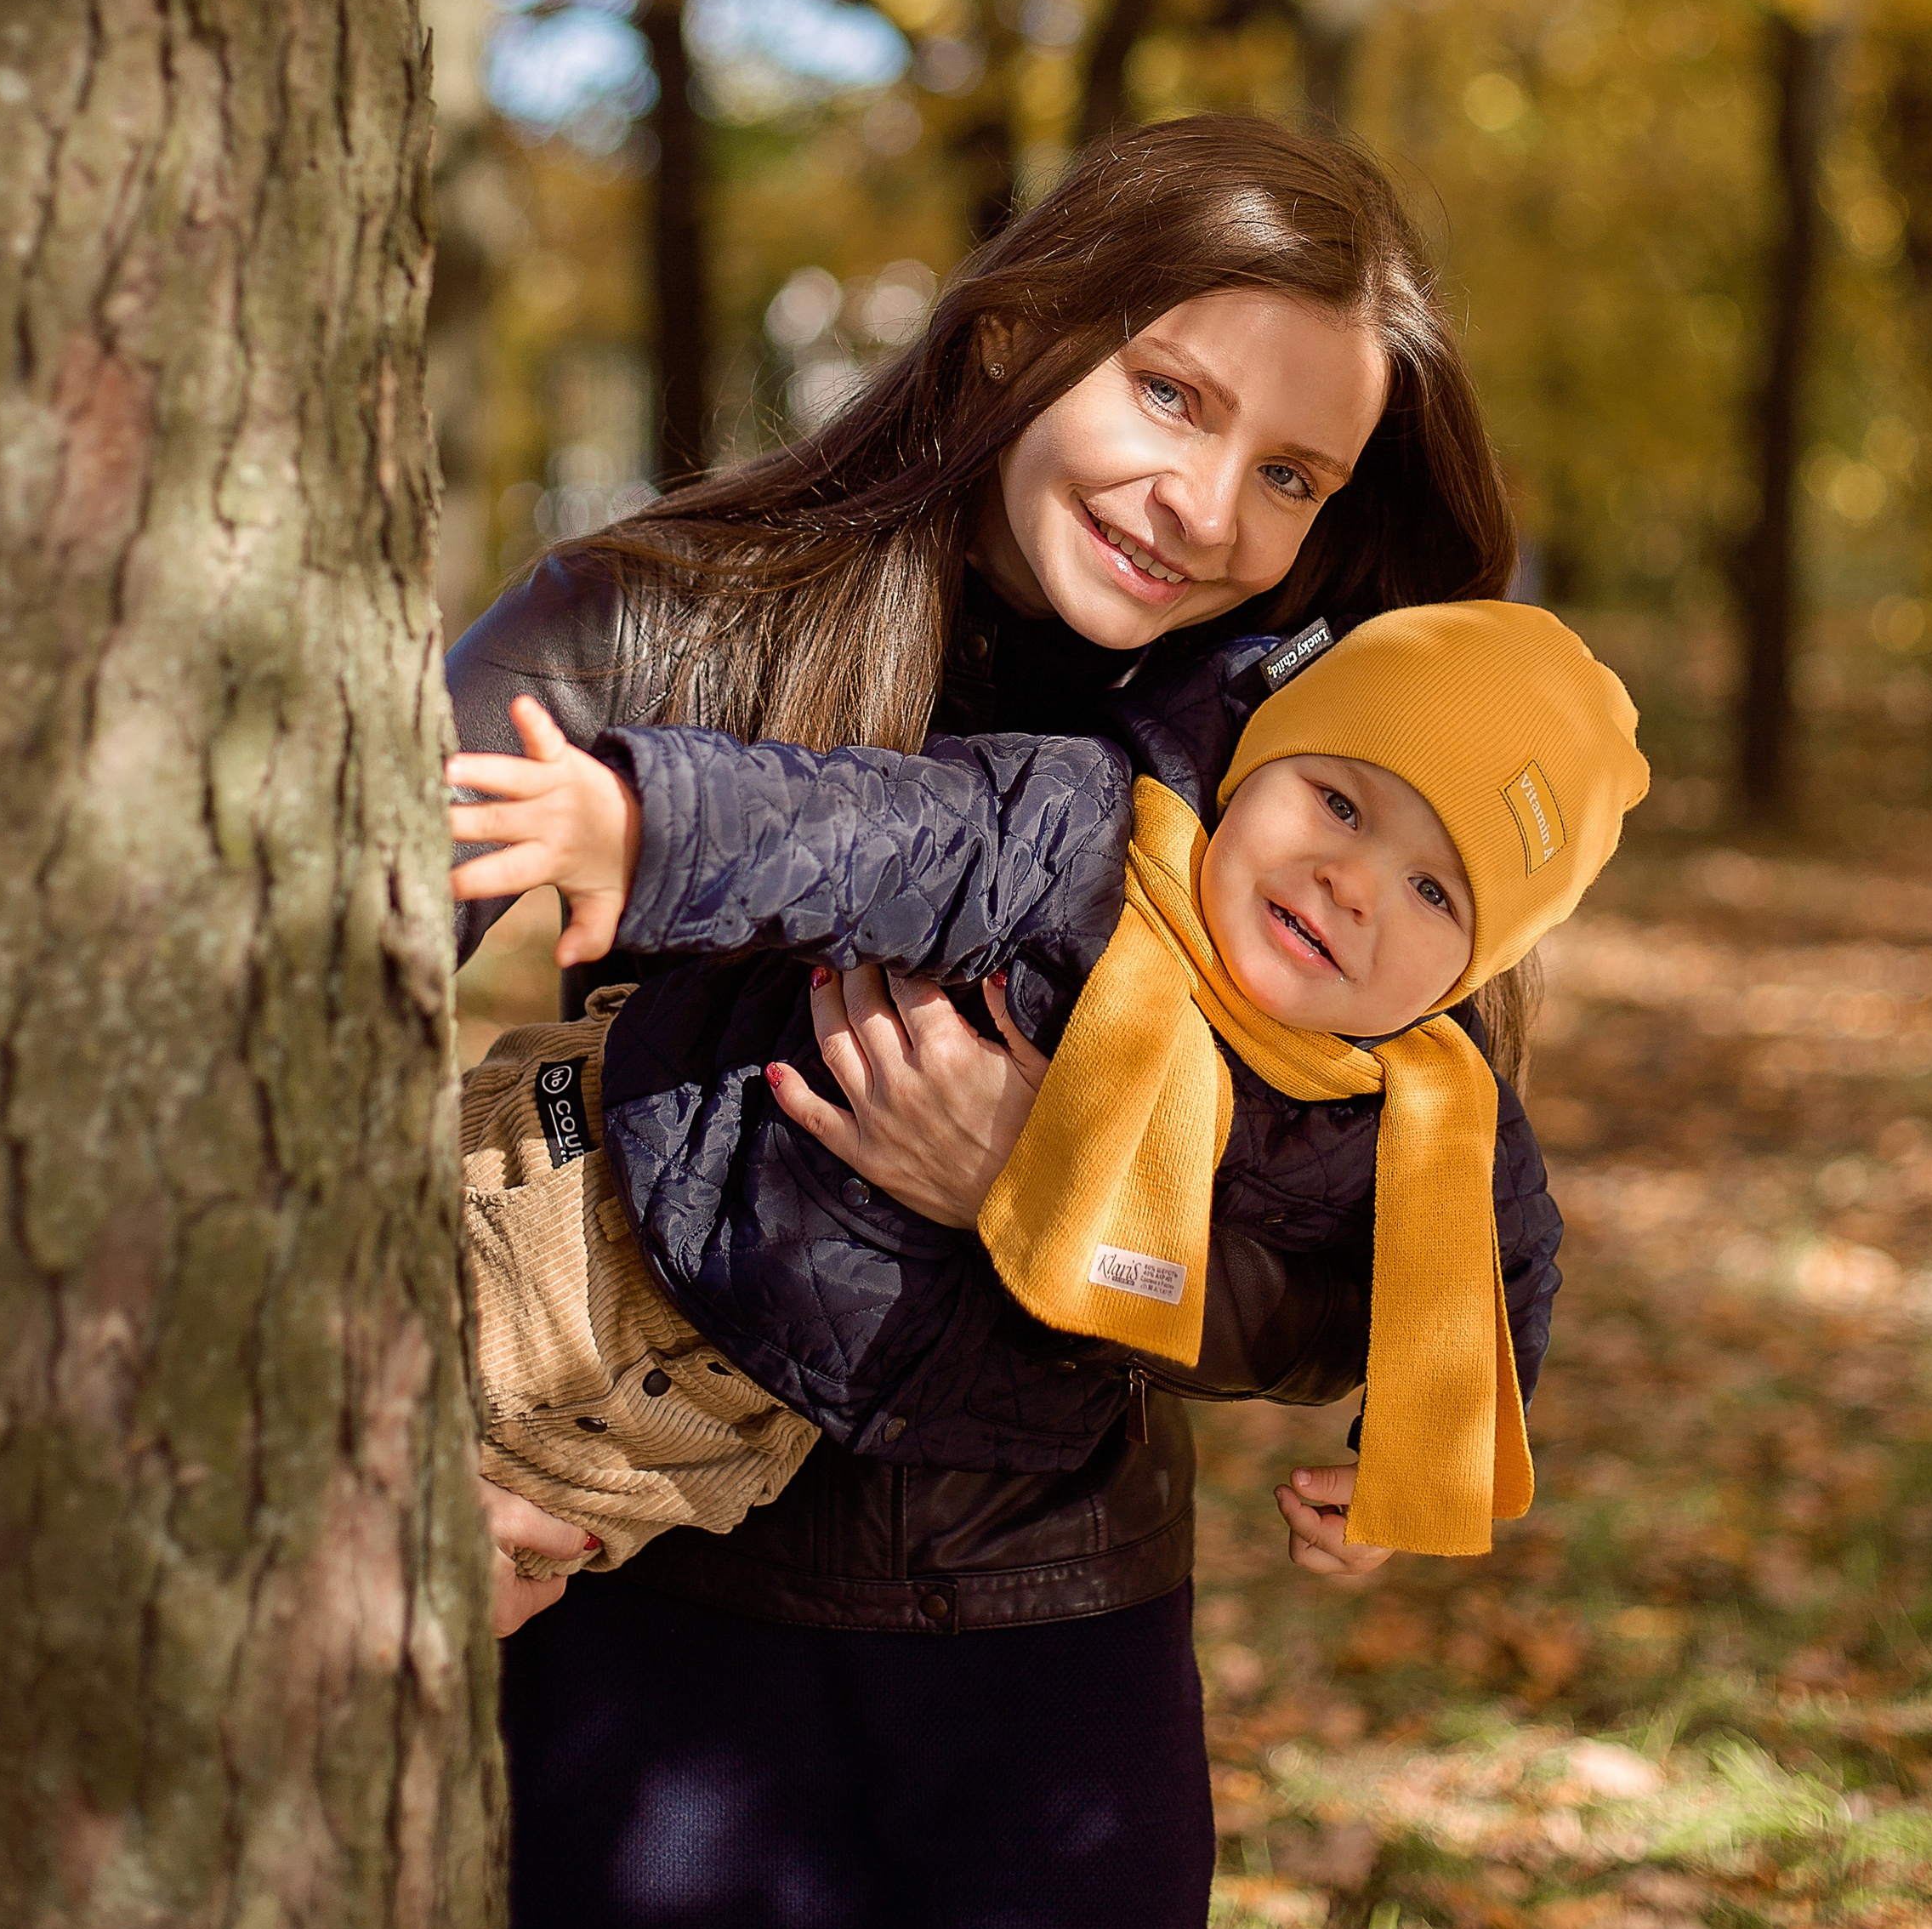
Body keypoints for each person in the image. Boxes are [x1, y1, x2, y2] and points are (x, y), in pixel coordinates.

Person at [446, 115, 1565, 1929]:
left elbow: (1373, 1257)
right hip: (642, 1605)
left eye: (1290, 474)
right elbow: (261, 1061)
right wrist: (404, 1442)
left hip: (1055, 1650)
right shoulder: (647, 619)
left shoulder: (1335, 776)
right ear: (1013, 336)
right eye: (1169, 394)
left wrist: (1055, 1191)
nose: (1205, 508)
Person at [452, 597, 1644, 1573]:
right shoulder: (1079, 839)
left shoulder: (1414, 1114)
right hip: (603, 1189)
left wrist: (1412, 1464)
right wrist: (647, 826)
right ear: (1258, 762)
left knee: (452, 1559)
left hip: (719, 1424)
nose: (1353, 883)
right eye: (1339, 801)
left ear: (1470, 974)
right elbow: (866, 830)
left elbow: (1495, 1272)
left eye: (1435, 892)